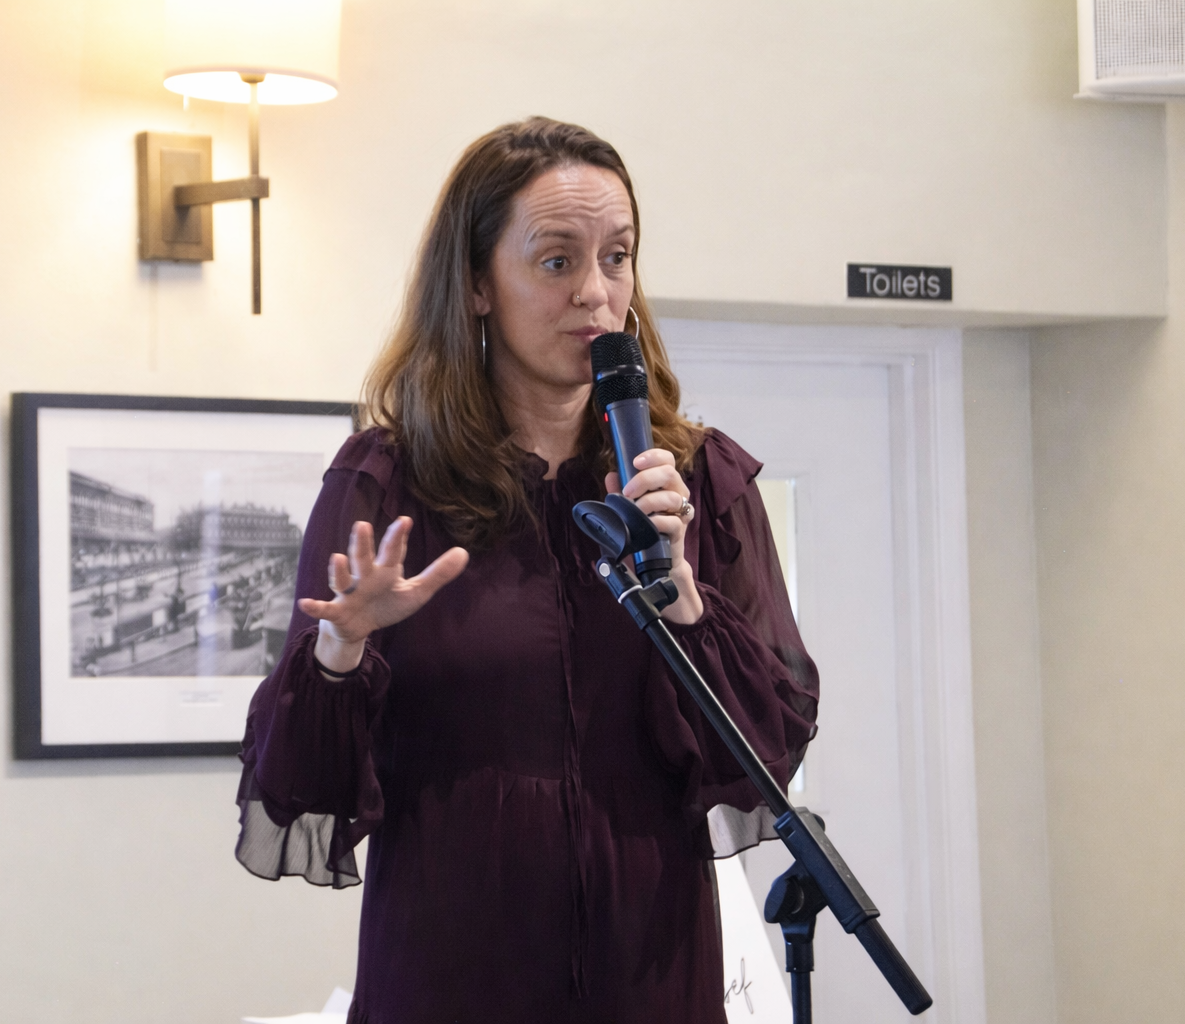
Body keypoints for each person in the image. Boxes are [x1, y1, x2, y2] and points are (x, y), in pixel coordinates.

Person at [236, 117, 818, 1024]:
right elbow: (297, 785)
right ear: (476, 284)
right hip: (455, 968)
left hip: (650, 973)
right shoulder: (390, 484)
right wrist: (338, 651)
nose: (596, 293)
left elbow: (767, 751)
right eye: (556, 261)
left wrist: (686, 599)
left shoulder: (698, 483)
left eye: (617, 257)